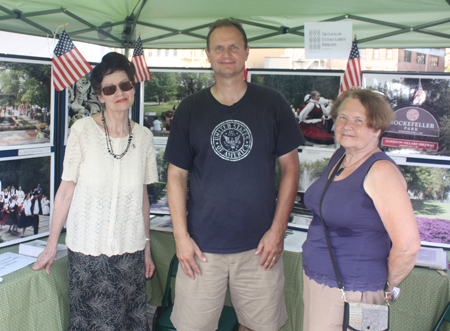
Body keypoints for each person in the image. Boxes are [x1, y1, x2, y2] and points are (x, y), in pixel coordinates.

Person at [164, 18, 305, 331]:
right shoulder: (190, 108)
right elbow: (176, 176)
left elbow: (290, 168)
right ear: (208, 55)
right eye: (218, 48)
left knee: (259, 326)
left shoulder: (273, 103)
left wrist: (277, 230)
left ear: (246, 52)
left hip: (260, 247)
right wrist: (181, 237)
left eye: (233, 47)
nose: (226, 53)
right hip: (200, 249)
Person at [32, 52, 158, 331]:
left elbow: (142, 200)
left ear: (133, 87)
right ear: (100, 96)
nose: (119, 94)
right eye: (110, 89)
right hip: (88, 256)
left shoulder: (145, 138)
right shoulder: (82, 131)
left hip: (131, 254)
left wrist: (147, 246)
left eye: (125, 85)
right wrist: (51, 246)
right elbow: (66, 191)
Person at [301, 88, 421, 330]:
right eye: (342, 117)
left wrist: (384, 285)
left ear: (377, 128)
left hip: (353, 293)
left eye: (359, 120)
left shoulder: (381, 172)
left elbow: (408, 246)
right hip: (320, 281)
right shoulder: (340, 157)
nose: (347, 126)